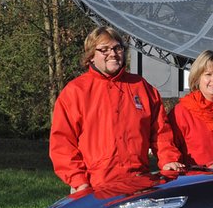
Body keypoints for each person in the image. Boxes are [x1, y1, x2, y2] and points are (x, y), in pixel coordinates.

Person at [50, 26, 182, 193]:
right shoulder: (75, 92)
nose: (112, 54)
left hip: (138, 183)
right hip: (92, 187)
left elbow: (160, 131)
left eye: (117, 48)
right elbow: (62, 144)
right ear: (91, 56)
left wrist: (168, 159)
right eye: (104, 49)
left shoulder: (141, 87)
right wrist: (79, 181)